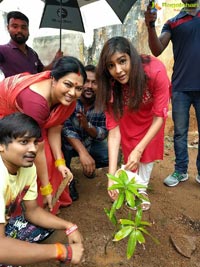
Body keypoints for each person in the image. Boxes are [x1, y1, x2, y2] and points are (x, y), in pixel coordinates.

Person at [0, 55, 87, 214]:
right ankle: (30, 207)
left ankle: (50, 203)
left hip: (30, 121)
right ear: (53, 79)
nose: (72, 92)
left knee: (53, 158)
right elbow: (36, 149)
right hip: (6, 116)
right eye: (67, 84)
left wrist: (60, 163)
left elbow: (54, 127)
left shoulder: (68, 98)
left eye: (78, 88)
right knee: (30, 157)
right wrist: (46, 189)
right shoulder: (36, 102)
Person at [95, 36, 170, 211]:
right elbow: (114, 132)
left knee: (147, 148)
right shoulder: (109, 84)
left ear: (132, 57)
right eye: (111, 65)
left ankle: (141, 188)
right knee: (130, 144)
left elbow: (159, 116)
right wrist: (111, 176)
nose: (118, 70)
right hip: (129, 113)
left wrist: (140, 149)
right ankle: (130, 183)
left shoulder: (155, 71)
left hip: (152, 114)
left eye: (122, 61)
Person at [0, 113, 84, 267]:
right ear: (1, 145)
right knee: (6, 257)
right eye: (24, 142)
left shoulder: (28, 168)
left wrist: (69, 226)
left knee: (45, 227)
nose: (33, 149)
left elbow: (32, 211)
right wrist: (61, 251)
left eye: (35, 142)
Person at [144, 0, 200, 187]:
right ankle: (181, 171)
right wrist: (151, 26)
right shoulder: (173, 22)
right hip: (180, 88)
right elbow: (157, 50)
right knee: (180, 133)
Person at [62, 64, 109, 201]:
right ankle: (68, 180)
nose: (89, 86)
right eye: (86, 81)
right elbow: (65, 128)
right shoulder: (70, 99)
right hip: (68, 144)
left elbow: (103, 134)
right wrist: (83, 153)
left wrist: (88, 126)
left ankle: (89, 166)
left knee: (111, 156)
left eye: (94, 82)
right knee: (59, 153)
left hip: (90, 142)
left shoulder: (103, 104)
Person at [0, 11, 63, 78]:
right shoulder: (3, 50)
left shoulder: (32, 53)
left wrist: (55, 61)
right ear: (8, 28)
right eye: (15, 27)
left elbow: (41, 72)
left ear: (28, 31)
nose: (19, 30)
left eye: (23, 27)